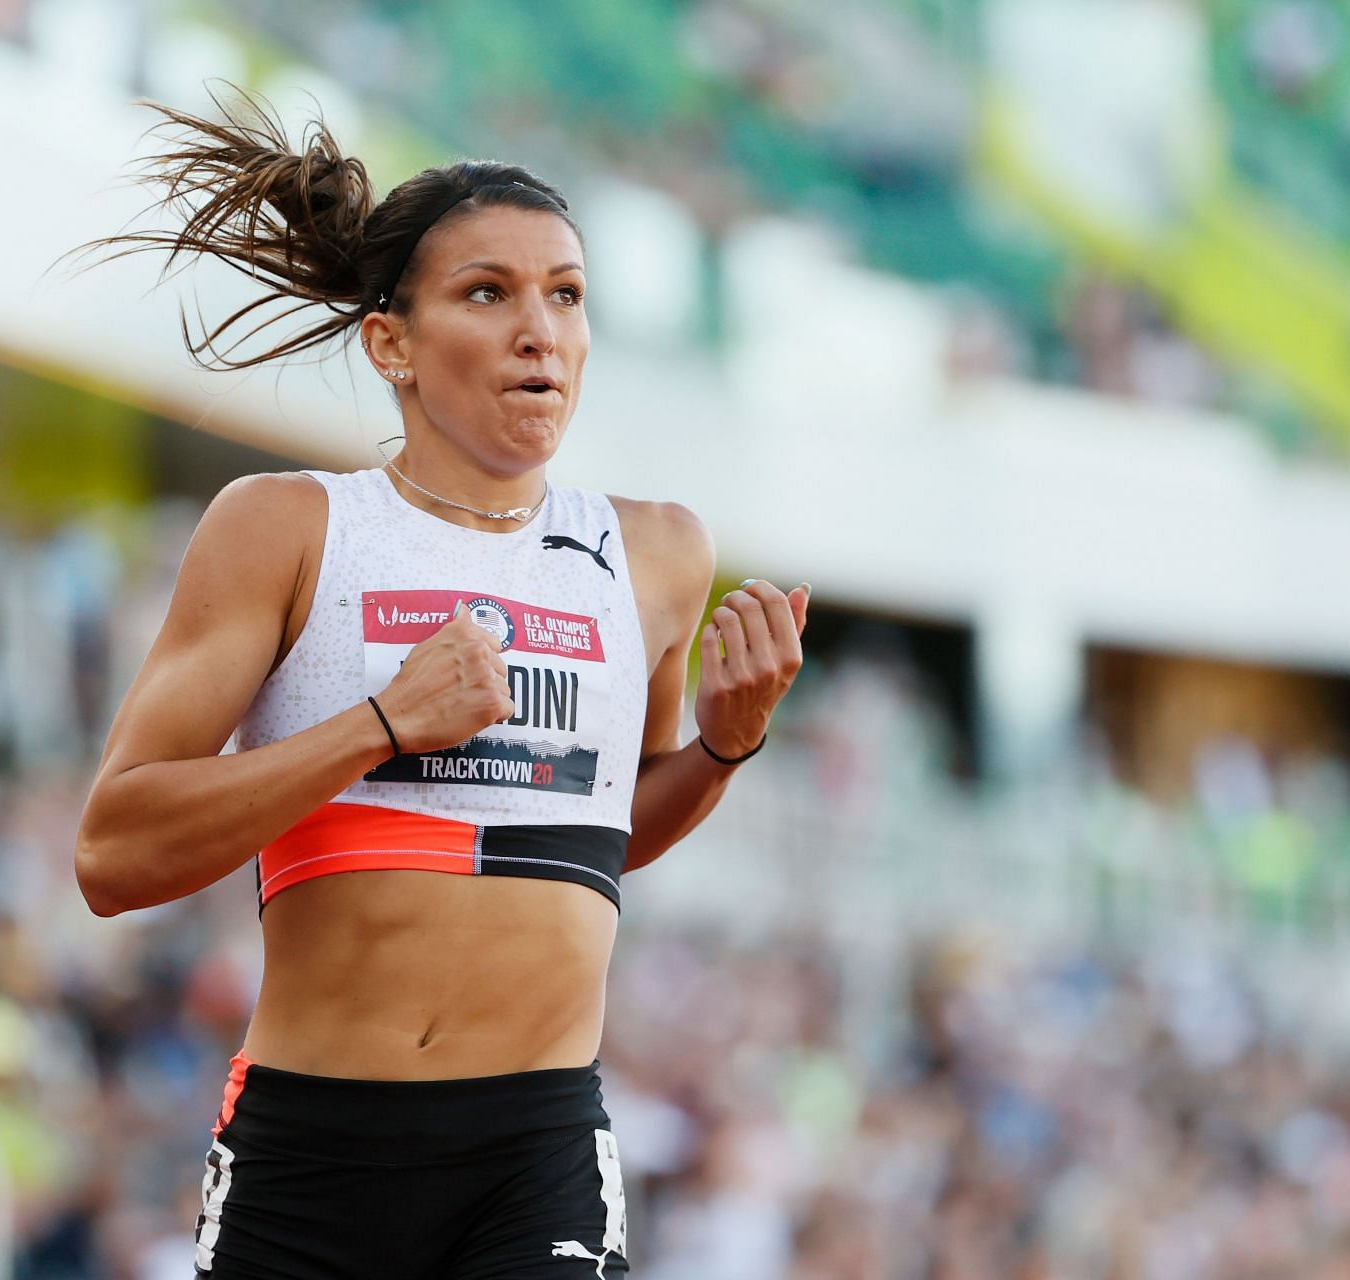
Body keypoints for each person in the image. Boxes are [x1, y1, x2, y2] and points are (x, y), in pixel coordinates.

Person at [71, 85, 810, 1279]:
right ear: (392, 344)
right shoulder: (288, 527)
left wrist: (723, 746)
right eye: (489, 292)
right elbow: (113, 853)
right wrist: (378, 726)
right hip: (312, 1149)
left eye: (567, 295)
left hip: (537, 1144)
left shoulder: (659, 552)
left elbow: (601, 840)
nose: (541, 330)